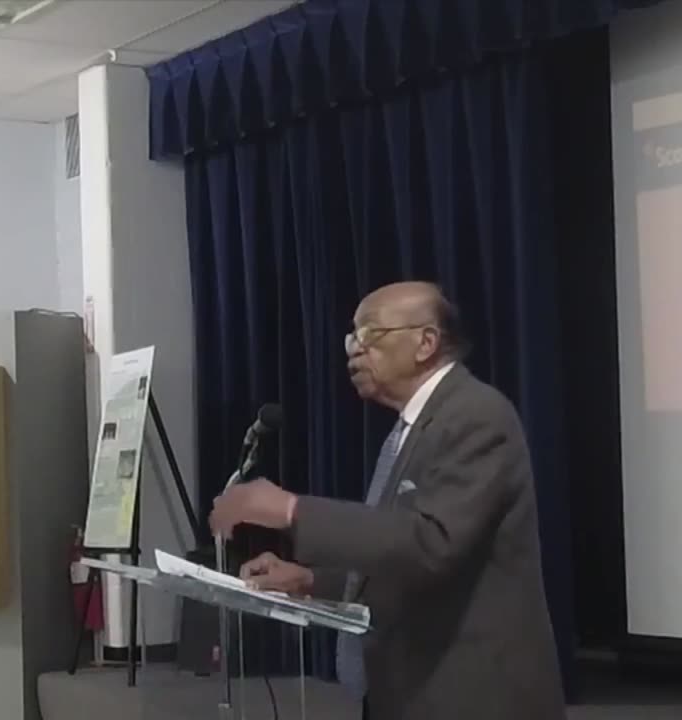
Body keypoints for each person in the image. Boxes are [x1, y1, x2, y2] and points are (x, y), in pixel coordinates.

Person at [209, 282, 566, 720]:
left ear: (426, 342)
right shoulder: (408, 430)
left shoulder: (476, 416)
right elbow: (396, 557)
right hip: (410, 689)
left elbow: (433, 543)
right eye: (351, 339)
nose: (354, 352)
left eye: (369, 336)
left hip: (471, 692)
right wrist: (308, 581)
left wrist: (291, 510)